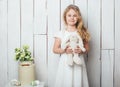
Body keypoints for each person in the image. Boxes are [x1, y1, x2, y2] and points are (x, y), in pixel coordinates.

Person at [53, 4, 90, 87]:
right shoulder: (61, 33)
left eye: (74, 16)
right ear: (65, 17)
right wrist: (64, 50)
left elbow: (87, 48)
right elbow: (55, 49)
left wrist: (81, 50)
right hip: (65, 63)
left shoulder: (82, 32)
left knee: (78, 80)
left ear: (78, 18)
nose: (72, 18)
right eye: (69, 15)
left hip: (78, 61)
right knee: (66, 80)